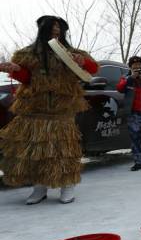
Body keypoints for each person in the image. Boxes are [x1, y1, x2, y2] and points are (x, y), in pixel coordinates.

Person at [0, 15, 99, 204]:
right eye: (51, 26)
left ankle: (67, 186)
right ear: (42, 29)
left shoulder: (73, 53)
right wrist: (14, 69)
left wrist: (82, 62)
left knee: (64, 151)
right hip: (35, 110)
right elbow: (26, 78)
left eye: (58, 27)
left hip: (61, 111)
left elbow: (93, 70)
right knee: (37, 151)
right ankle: (39, 188)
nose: (56, 29)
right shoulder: (28, 53)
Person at [116, 55, 141, 171]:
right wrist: (131, 78)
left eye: (139, 64)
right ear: (130, 66)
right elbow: (119, 88)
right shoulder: (126, 77)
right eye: (134, 65)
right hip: (134, 113)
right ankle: (138, 162)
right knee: (135, 138)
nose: (137, 66)